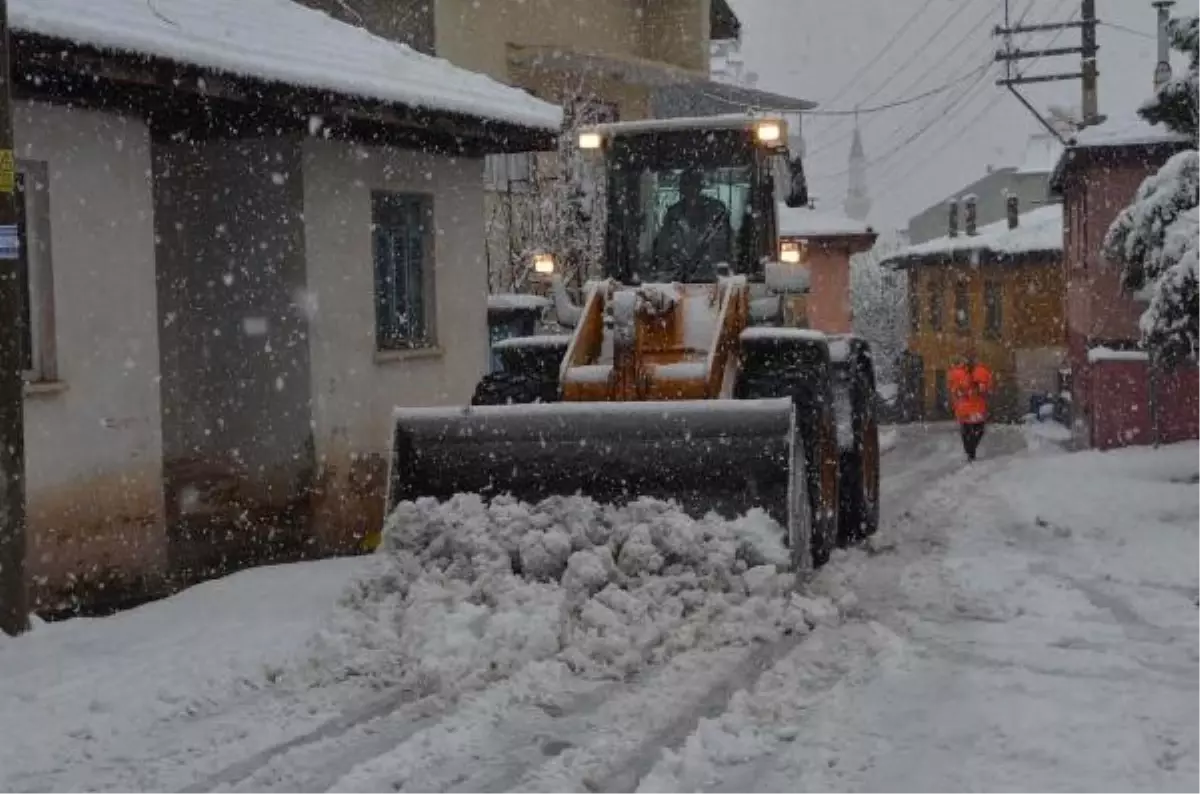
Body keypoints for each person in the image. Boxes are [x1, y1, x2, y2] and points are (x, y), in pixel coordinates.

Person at [651, 169, 733, 281]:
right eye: (686, 185)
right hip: (677, 283)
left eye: (693, 185)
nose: (690, 190)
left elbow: (728, 248)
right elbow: (663, 251)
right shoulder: (673, 215)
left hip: (714, 282)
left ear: (700, 186)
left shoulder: (717, 212)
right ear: (681, 189)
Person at [948, 350, 994, 462]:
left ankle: (970, 452)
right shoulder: (980, 371)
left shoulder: (957, 373)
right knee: (976, 430)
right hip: (975, 408)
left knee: (967, 431)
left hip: (965, 409)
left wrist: (960, 394)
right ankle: (970, 452)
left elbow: (954, 389)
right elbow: (986, 388)